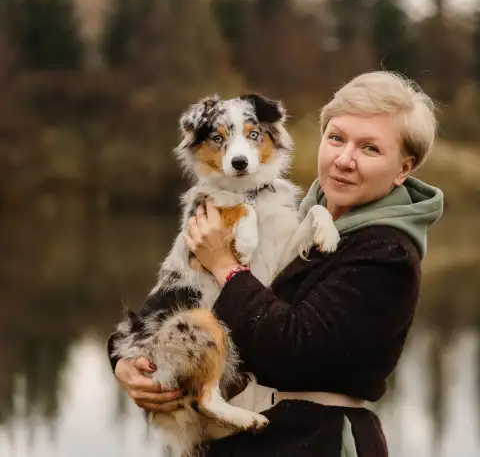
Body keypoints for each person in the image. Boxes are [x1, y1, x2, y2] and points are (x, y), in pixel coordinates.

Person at [109, 70, 445, 456]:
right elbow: (174, 295)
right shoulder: (293, 216)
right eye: (336, 139)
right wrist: (125, 362)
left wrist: (226, 268)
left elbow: (296, 350)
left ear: (404, 168)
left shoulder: (386, 254)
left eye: (370, 149)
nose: (345, 160)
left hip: (314, 444)